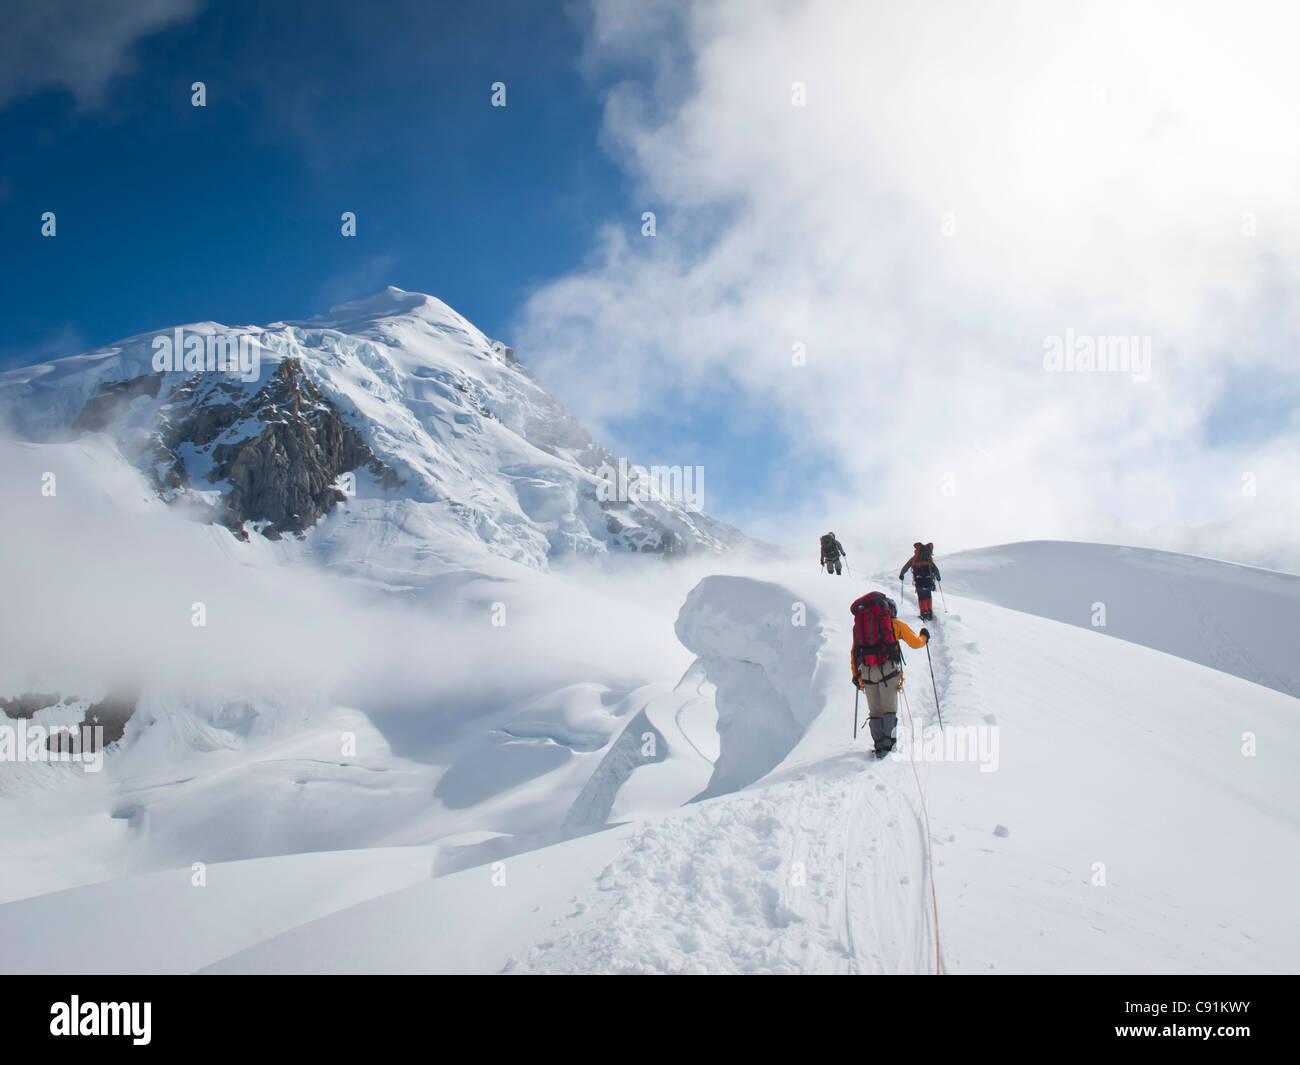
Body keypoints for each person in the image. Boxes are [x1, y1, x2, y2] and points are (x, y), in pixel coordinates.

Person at [850, 591, 929, 758]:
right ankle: (890, 745)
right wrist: (924, 637)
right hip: (888, 671)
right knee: (889, 710)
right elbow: (915, 643)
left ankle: (879, 746)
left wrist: (855, 677)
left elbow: (854, 653)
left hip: (867, 672)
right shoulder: (895, 624)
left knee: (875, 711)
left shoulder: (859, 627)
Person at [899, 541, 941, 621]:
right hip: (928, 580)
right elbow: (935, 569)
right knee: (928, 595)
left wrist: (902, 574)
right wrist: (938, 577)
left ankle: (924, 613)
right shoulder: (928, 558)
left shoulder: (915, 557)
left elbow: (907, 565)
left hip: (919, 580)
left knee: (921, 596)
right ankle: (929, 612)